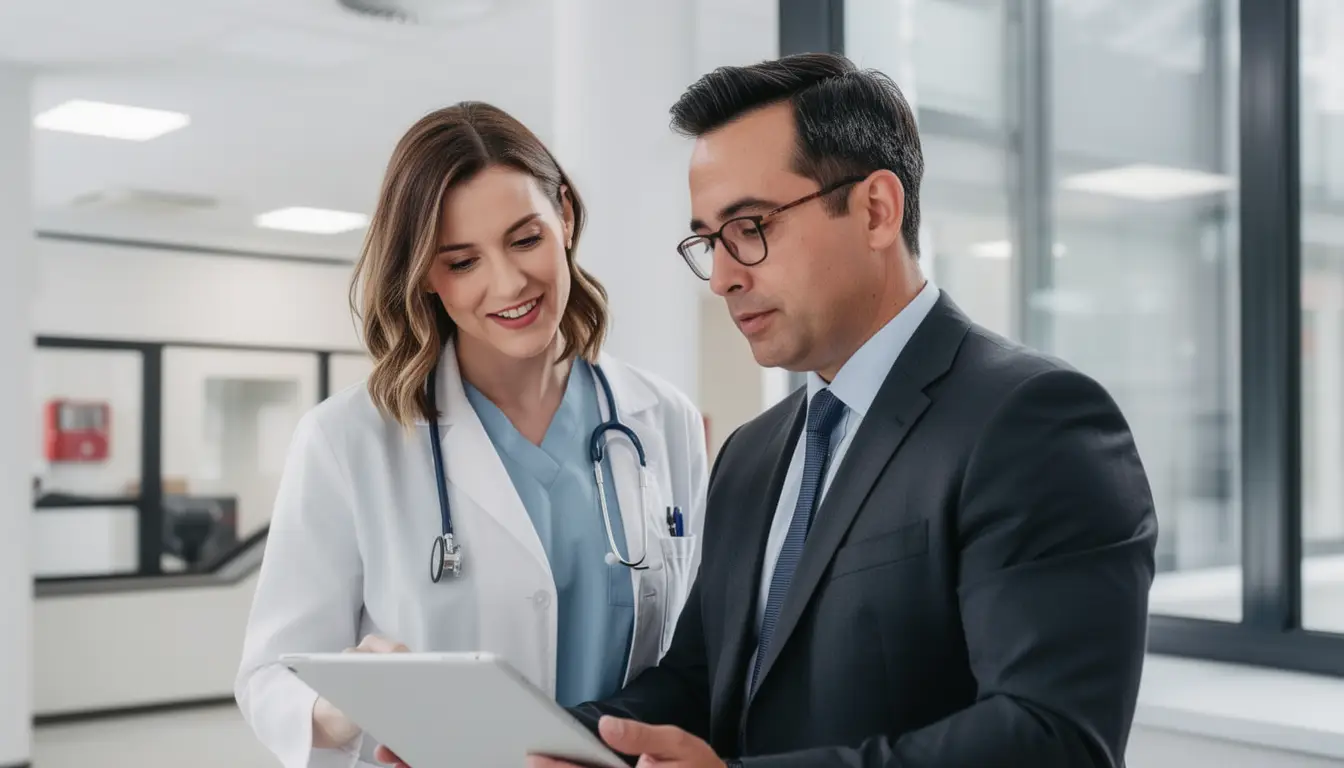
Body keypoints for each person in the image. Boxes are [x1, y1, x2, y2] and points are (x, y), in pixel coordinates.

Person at [528, 52, 1159, 768]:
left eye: (750, 227)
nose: (726, 278)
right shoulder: (751, 455)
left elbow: (1052, 739)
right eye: (709, 242)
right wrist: (527, 748)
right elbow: (699, 682)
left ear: (875, 210)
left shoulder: (1035, 422)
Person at [234, 102, 709, 768]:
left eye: (525, 239)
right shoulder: (348, 441)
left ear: (564, 216)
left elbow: (693, 654)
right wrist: (340, 711)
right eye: (462, 262)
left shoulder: (662, 420)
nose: (508, 283)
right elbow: (266, 678)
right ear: (426, 274)